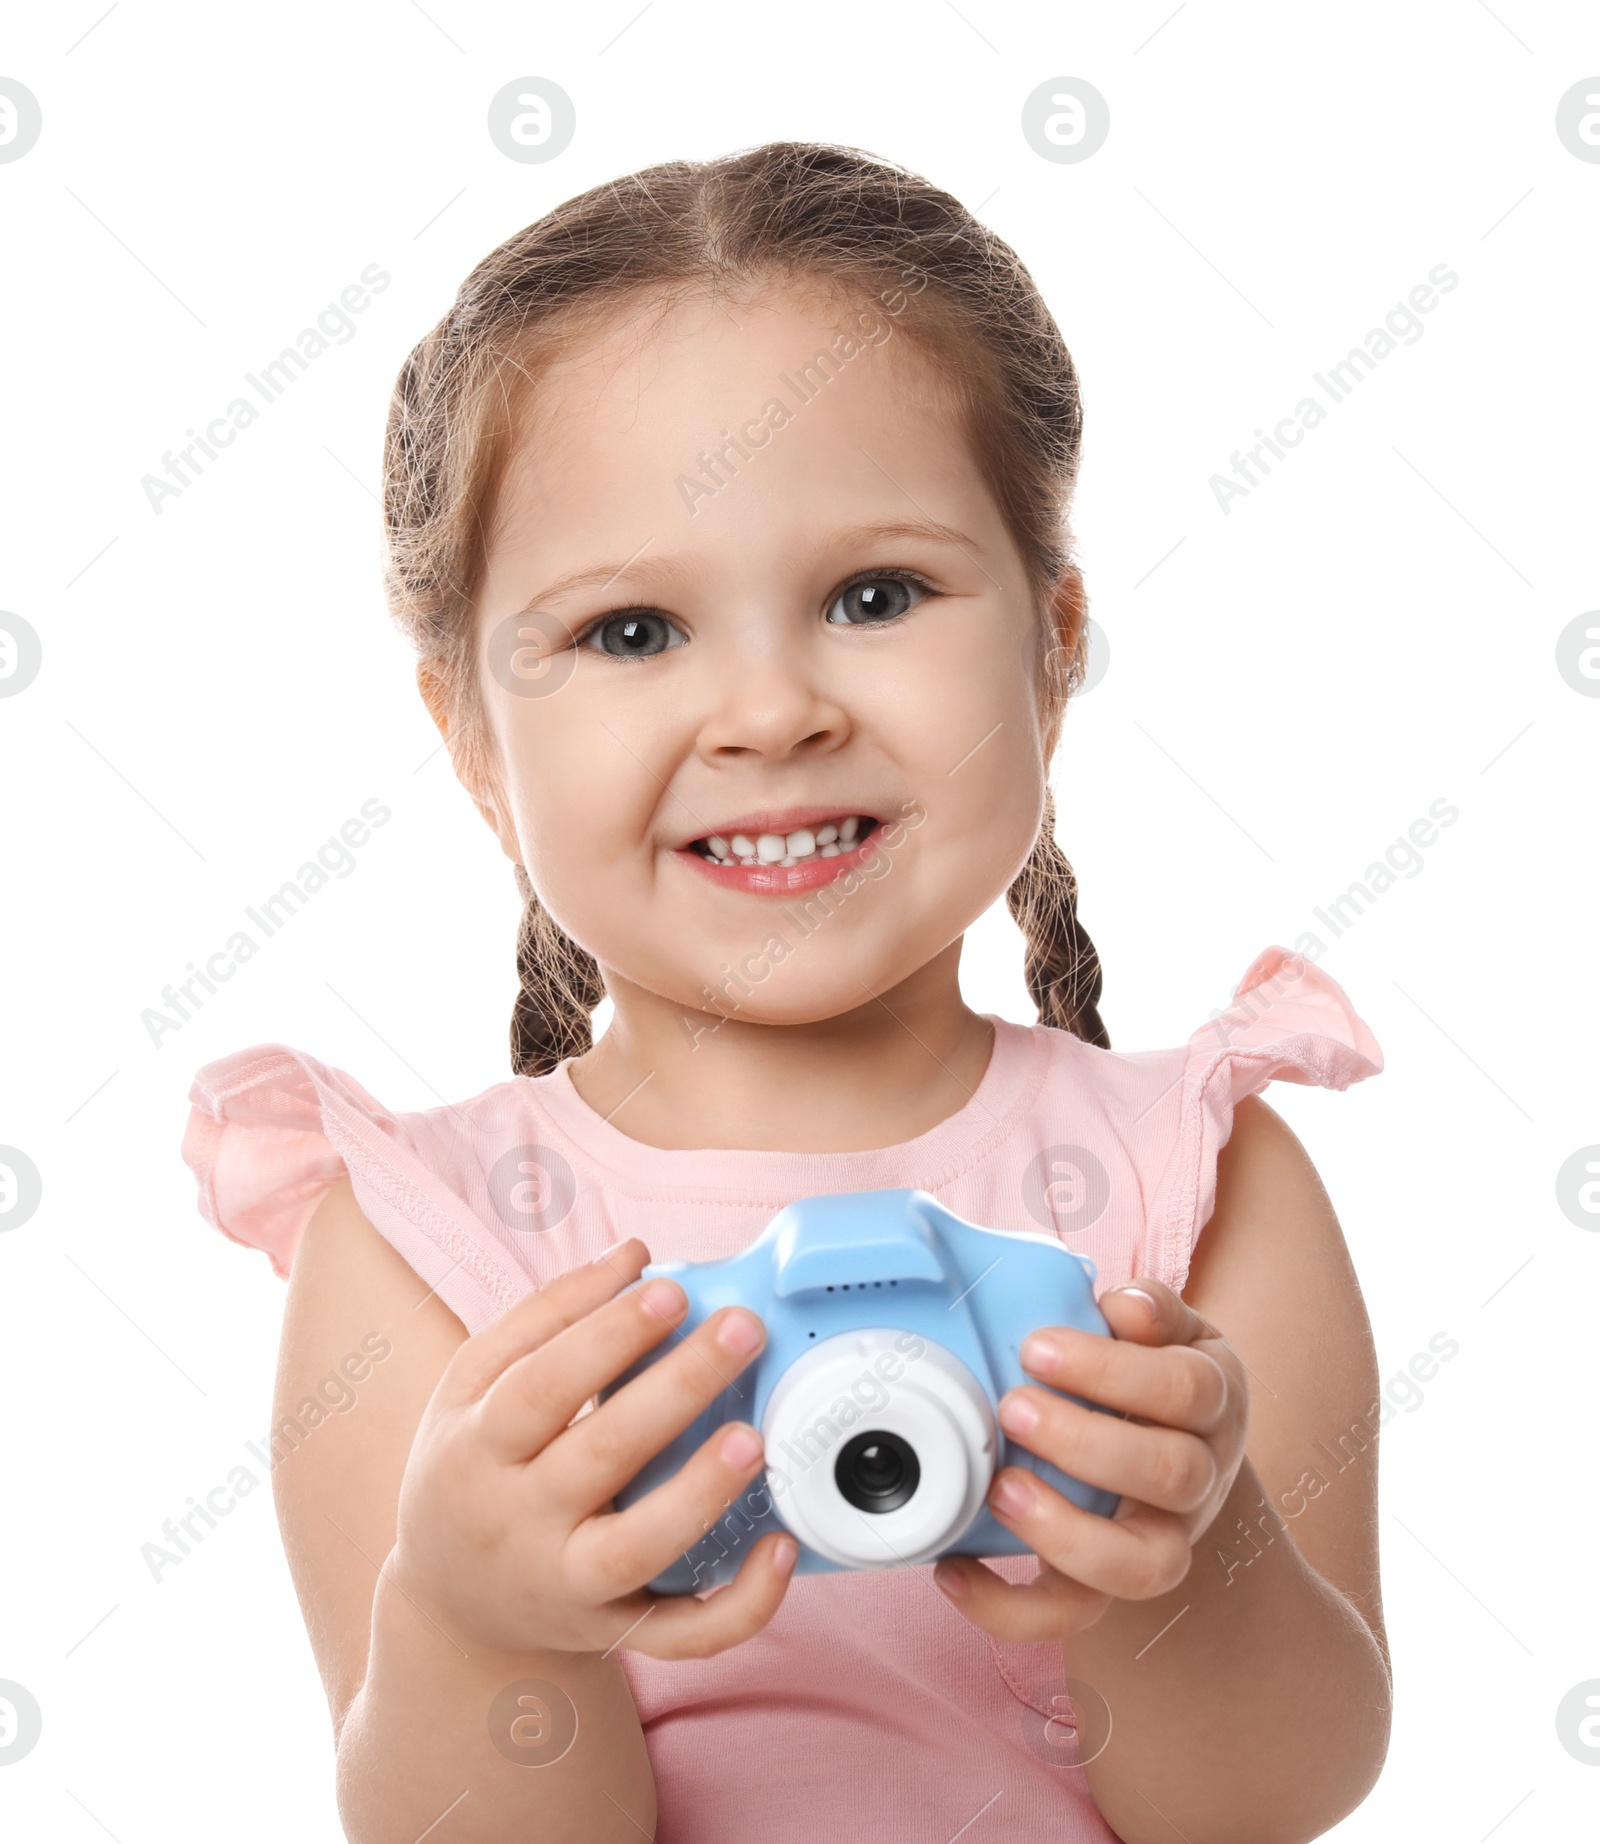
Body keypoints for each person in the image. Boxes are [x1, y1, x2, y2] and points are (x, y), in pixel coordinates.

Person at [182, 142, 1391, 1842]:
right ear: (467, 735)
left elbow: (1264, 1805)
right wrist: (472, 1621)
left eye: (874, 596)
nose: (768, 712)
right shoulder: (426, 1242)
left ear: (1054, 651)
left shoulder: (1196, 1186)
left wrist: (1176, 1563)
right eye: (627, 632)